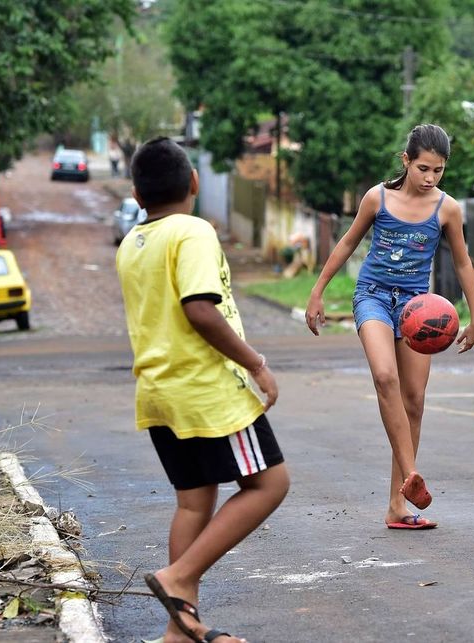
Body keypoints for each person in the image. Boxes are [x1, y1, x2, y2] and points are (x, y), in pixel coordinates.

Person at [116, 136, 289, 642]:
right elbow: (199, 308)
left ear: (136, 193)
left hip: (159, 392)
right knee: (270, 485)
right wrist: (256, 363)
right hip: (208, 391)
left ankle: (178, 632)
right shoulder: (192, 231)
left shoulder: (132, 242)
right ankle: (180, 577)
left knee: (194, 504)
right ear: (194, 183)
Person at [304, 124, 474, 530]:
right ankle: (411, 474)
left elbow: (463, 262)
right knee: (385, 377)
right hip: (373, 296)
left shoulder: (448, 209)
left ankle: (397, 506)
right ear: (406, 161)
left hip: (418, 308)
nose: (429, 178)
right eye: (423, 168)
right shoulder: (377, 197)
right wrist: (317, 292)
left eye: (438, 171)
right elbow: (348, 242)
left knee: (414, 400)